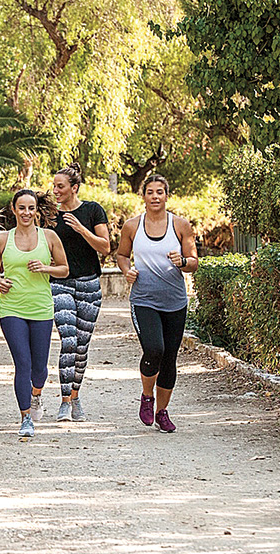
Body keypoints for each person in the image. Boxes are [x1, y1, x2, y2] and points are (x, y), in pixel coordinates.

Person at [115, 174, 198, 433]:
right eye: (150, 192)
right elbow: (121, 255)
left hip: (174, 301)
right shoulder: (132, 226)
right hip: (144, 300)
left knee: (170, 358)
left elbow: (194, 261)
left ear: (166, 195)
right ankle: (147, 396)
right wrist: (126, 270)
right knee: (154, 349)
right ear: (144, 196)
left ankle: (162, 412)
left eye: (159, 192)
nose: (154, 196)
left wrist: (182, 262)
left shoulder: (181, 225)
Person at [0, 189, 69, 438]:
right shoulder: (2, 239)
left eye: (31, 208)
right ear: (13, 209)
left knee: (40, 369)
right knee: (22, 363)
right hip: (12, 307)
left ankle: (36, 395)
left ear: (37, 211)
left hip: (41, 307)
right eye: (21, 208)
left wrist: (45, 267)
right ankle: (25, 418)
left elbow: (64, 269)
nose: (26, 213)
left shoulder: (49, 237)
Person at [50, 163, 111, 421]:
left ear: (74, 188)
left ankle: (75, 397)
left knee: (82, 347)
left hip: (89, 285)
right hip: (59, 283)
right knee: (69, 340)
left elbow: (105, 247)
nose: (55, 190)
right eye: (53, 186)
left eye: (60, 186)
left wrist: (80, 228)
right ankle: (64, 402)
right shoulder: (50, 216)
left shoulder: (92, 210)